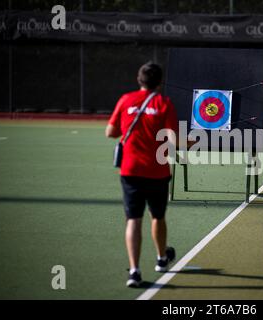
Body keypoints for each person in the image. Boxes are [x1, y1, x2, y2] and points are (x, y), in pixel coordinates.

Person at [105, 62, 178, 288]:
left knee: (133, 219)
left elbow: (110, 132)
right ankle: (161, 259)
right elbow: (173, 139)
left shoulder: (125, 100)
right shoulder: (164, 103)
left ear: (139, 80)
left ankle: (134, 271)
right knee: (157, 216)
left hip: (131, 170)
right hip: (157, 171)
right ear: (160, 82)